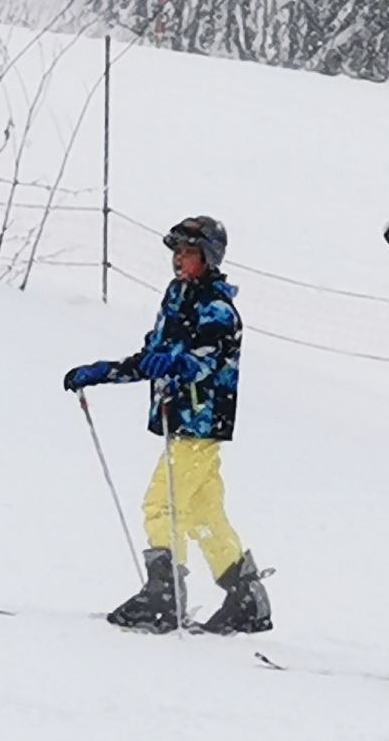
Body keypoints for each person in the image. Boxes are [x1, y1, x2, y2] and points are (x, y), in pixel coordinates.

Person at [63, 215, 272, 636]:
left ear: (209, 257)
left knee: (162, 503)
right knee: (201, 510)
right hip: (179, 419)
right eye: (177, 252)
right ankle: (245, 597)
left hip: (201, 422)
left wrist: (176, 363)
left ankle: (165, 596)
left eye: (189, 253)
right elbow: (153, 355)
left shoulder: (219, 309)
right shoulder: (176, 296)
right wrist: (104, 372)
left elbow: (205, 359)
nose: (179, 260)